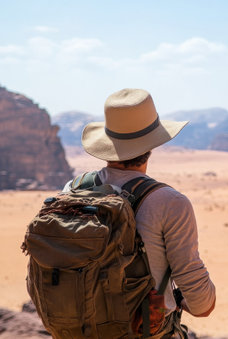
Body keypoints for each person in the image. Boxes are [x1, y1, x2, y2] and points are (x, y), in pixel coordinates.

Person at [73, 88, 216, 337]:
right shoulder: (169, 202)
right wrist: (188, 302)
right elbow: (200, 301)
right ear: (153, 143)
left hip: (77, 329)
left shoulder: (74, 189)